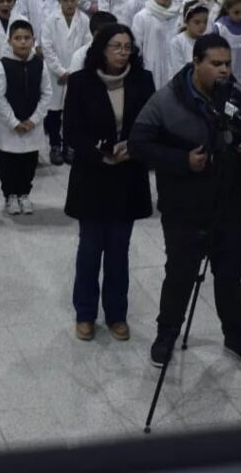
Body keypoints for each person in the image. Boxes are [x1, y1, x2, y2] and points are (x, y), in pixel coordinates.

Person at [130, 33, 241, 371]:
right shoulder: (166, 100)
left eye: (227, 64)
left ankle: (236, 337)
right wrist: (182, 161)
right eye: (215, 64)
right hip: (184, 209)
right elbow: (139, 144)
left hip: (228, 206)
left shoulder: (235, 95)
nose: (224, 70)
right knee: (180, 275)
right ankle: (166, 336)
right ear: (196, 63)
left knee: (230, 276)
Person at [63, 22, 154, 342]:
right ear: (101, 49)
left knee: (119, 250)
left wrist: (133, 148)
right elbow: (71, 131)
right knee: (90, 248)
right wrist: (99, 153)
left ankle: (116, 314)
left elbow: (151, 125)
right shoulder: (80, 82)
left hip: (127, 176)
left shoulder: (143, 80)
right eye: (116, 46)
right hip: (92, 176)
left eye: (127, 47)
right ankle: (85, 313)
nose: (122, 52)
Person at [0, 19, 51, 216]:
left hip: (32, 124)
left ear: (34, 40)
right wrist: (13, 122)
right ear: (10, 41)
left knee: (29, 162)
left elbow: (47, 93)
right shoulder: (2, 65)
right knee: (9, 163)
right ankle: (10, 195)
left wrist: (34, 119)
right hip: (9, 126)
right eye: (17, 38)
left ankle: (24, 194)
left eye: (26, 38)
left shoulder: (40, 64)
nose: (23, 42)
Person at [41, 0, 90, 166]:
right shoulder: (50, 20)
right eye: (66, 0)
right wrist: (61, 71)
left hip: (76, 73)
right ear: (59, 0)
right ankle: (55, 145)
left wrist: (74, 71)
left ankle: (69, 145)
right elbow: (47, 47)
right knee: (54, 112)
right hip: (56, 75)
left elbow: (87, 46)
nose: (70, 3)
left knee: (72, 112)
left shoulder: (84, 20)